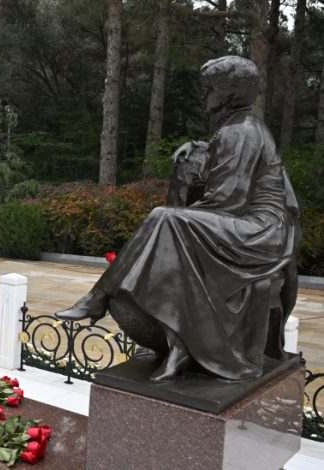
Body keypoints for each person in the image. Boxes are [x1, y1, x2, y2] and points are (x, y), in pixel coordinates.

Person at [56, 56, 300, 383]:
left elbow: (226, 201)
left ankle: (98, 297)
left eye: (209, 87)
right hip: (256, 228)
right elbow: (222, 165)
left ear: (228, 92)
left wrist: (179, 217)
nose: (203, 94)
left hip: (261, 232)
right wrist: (198, 147)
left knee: (166, 219)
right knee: (170, 225)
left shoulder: (240, 132)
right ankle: (177, 344)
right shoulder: (239, 127)